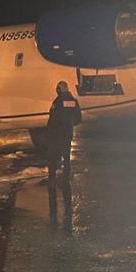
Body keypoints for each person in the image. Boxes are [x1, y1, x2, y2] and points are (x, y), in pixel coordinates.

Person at [45, 81, 82, 229]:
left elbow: (52, 118)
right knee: (66, 156)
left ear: (59, 89)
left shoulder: (58, 101)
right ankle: (66, 175)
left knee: (52, 156)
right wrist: (70, 125)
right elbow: (78, 118)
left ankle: (52, 177)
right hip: (67, 133)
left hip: (56, 134)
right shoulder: (73, 101)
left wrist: (49, 131)